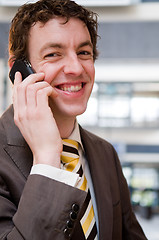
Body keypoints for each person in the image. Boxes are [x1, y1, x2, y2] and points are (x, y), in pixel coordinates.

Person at [0, 0, 147, 239]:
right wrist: (47, 158)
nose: (76, 68)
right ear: (19, 72)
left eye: (83, 53)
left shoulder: (105, 153)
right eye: (53, 54)